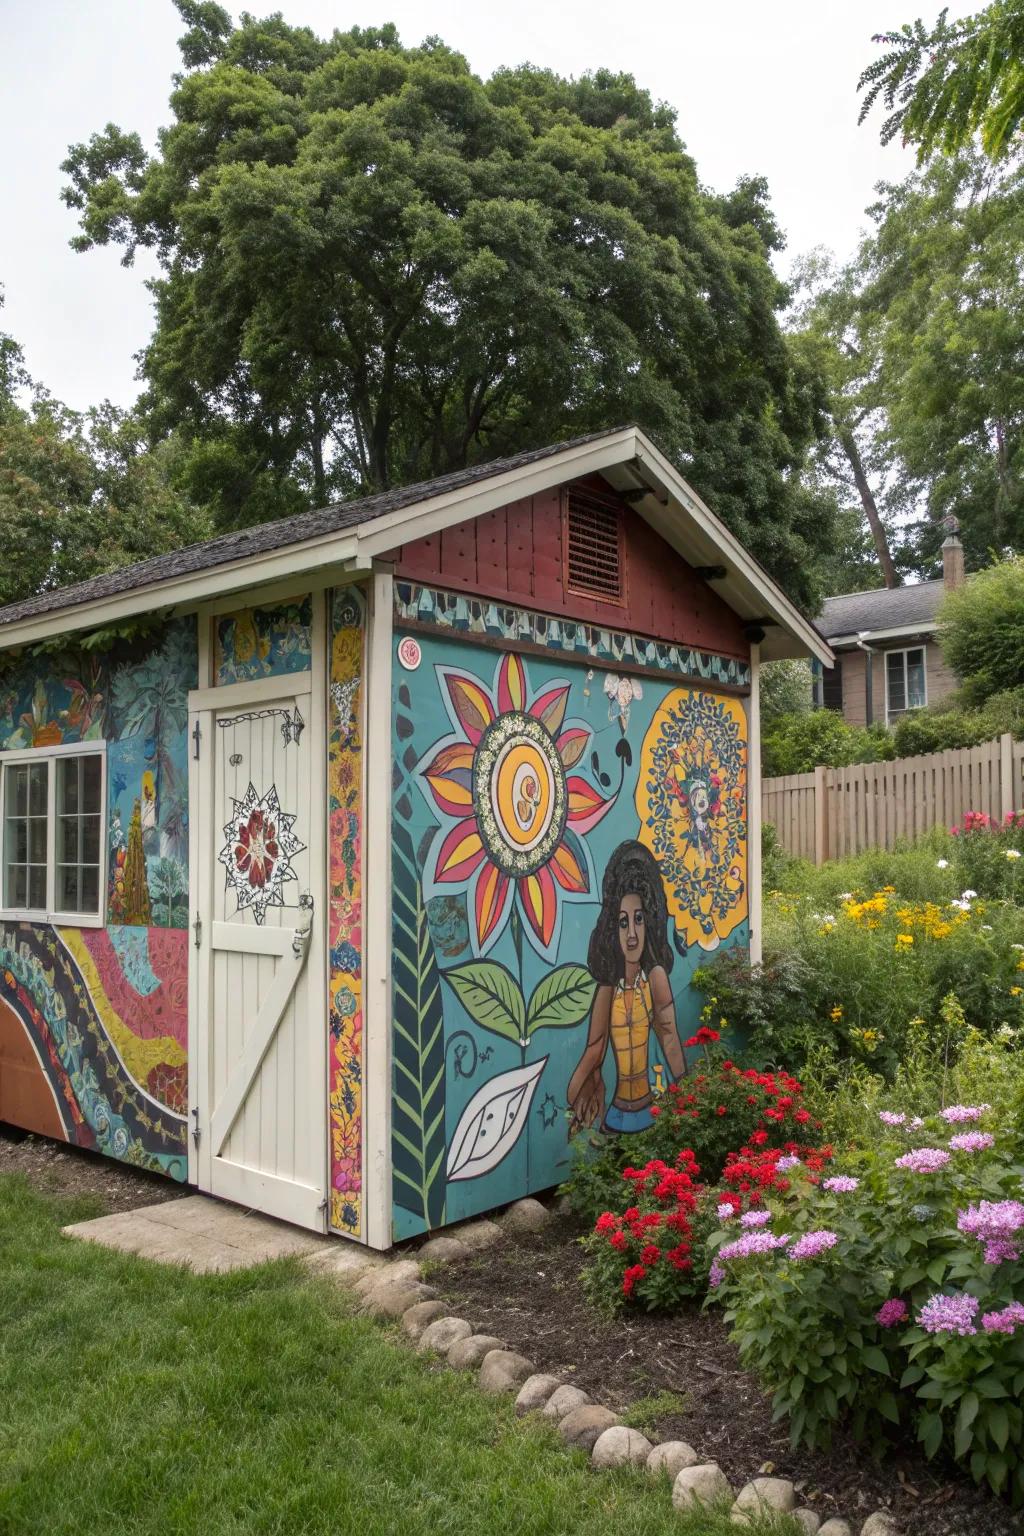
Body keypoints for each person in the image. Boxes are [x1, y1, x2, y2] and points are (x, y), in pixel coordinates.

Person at [567, 841, 686, 1133]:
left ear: (650, 923)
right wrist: (573, 1098)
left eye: (638, 920)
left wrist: (688, 1094)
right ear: (612, 929)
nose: (631, 934)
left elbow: (669, 1037)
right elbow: (594, 1050)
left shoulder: (655, 977)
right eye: (622, 923)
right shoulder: (608, 989)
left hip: (650, 1111)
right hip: (615, 1116)